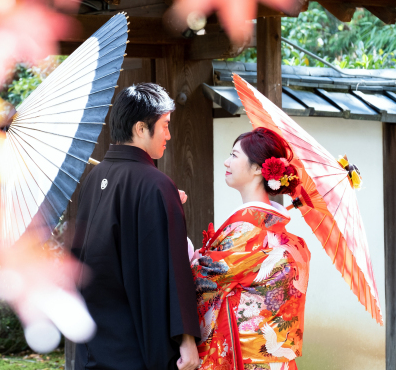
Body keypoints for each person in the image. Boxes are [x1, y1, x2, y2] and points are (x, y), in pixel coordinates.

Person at [71, 83, 201, 370]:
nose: (169, 135)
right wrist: (186, 338)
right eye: (165, 125)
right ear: (141, 128)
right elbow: (170, 269)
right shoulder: (155, 184)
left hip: (93, 342)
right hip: (136, 345)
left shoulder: (95, 179)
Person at [191, 127, 311, 370]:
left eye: (234, 155)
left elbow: (202, 281)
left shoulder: (248, 228)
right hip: (277, 361)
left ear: (258, 169)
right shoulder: (289, 239)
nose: (227, 161)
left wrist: (190, 258)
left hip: (241, 359)